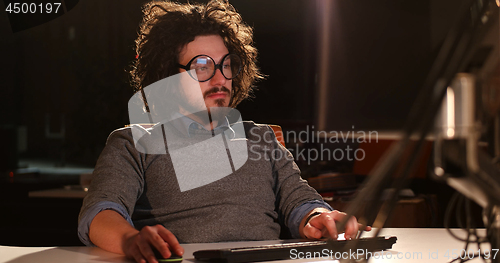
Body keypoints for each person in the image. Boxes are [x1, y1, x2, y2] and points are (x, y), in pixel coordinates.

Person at [78, 1, 369, 263]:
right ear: (166, 76)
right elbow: (100, 213)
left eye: (226, 65)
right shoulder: (131, 144)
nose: (220, 78)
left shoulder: (261, 138)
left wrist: (317, 217)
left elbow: (300, 201)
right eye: (202, 67)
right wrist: (130, 240)